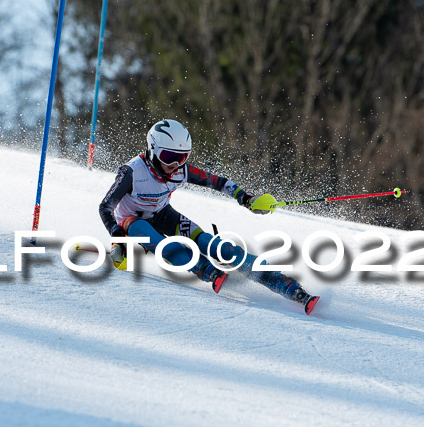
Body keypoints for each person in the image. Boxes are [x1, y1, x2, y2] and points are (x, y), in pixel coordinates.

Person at [99, 119, 320, 315]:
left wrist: (245, 197)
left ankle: (287, 285)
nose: (175, 165)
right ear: (153, 150)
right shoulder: (132, 172)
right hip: (131, 221)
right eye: (169, 157)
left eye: (182, 158)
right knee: (165, 245)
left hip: (163, 214)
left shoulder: (180, 171)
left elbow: (219, 182)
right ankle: (207, 271)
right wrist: (116, 233)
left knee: (212, 244)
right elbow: (105, 207)